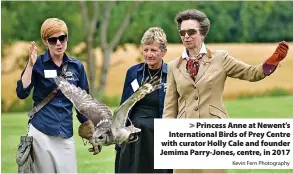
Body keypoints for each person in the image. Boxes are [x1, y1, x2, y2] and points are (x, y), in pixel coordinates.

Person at [162, 9, 289, 174]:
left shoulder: (221, 58)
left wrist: (270, 63)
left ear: (202, 33)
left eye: (191, 31)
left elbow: (251, 73)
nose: (186, 36)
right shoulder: (173, 66)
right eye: (182, 32)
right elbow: (170, 107)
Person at [16, 18, 92, 173]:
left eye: (62, 38)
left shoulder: (77, 66)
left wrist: (91, 132)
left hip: (65, 132)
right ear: (46, 41)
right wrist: (30, 65)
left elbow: (83, 104)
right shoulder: (37, 63)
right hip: (41, 131)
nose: (58, 43)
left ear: (67, 38)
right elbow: (22, 93)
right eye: (53, 40)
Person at [115, 27, 172, 173]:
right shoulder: (133, 72)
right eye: (146, 50)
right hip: (133, 137)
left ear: (163, 52)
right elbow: (123, 106)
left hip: (158, 137)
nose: (149, 54)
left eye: (153, 50)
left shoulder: (172, 75)